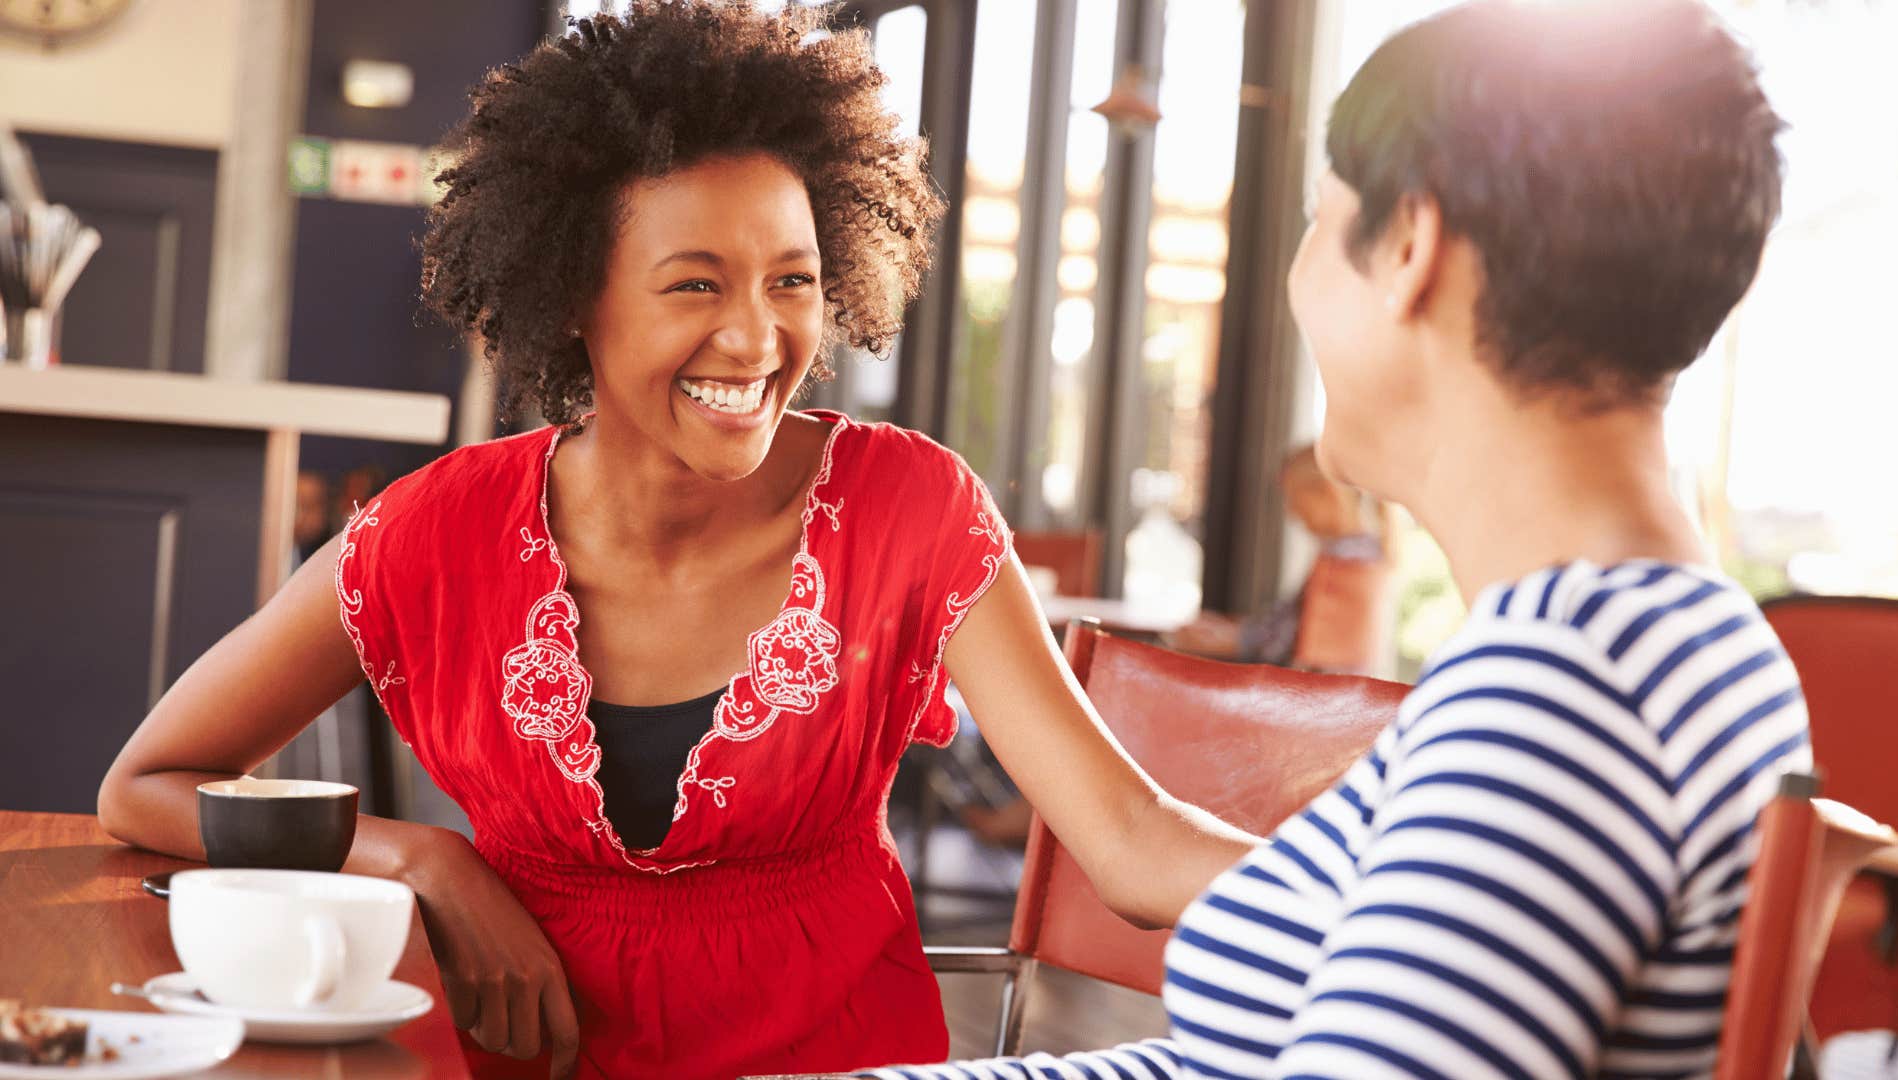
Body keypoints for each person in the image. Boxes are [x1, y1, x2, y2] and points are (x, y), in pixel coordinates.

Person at [94, 5, 1256, 1079]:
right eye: (694, 284)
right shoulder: (430, 533)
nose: (755, 339)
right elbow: (146, 783)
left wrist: (1396, 883)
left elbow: (1133, 841)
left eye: (791, 280)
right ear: (570, 300)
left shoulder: (915, 508)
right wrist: (424, 861)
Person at [868, 1, 1808, 1076]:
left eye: (1318, 218)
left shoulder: (1564, 691)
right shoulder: (1666, 639)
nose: (1299, 275)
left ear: (1410, 243)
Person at [1172, 443, 1398, 676]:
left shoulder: (1348, 561)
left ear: (1326, 493)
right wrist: (1233, 630)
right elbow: (1292, 621)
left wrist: (1232, 640)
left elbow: (1294, 638)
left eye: (1294, 498)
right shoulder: (1359, 553)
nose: (1292, 511)